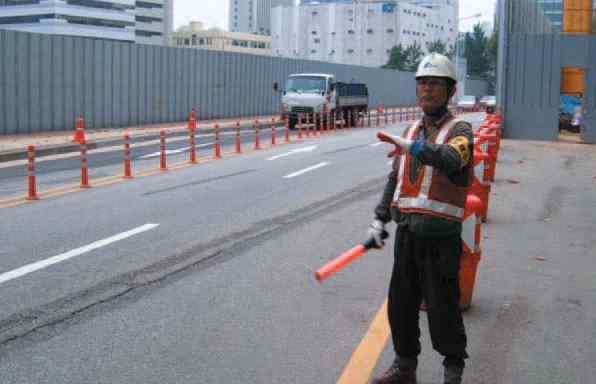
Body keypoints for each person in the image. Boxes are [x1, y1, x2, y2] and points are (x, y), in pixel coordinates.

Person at [367, 53, 474, 384]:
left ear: (450, 91)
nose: (427, 90)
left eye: (435, 84)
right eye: (423, 83)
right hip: (408, 236)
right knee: (400, 306)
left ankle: (452, 371)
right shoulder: (411, 129)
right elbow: (395, 180)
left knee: (443, 312)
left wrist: (411, 147)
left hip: (441, 240)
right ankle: (405, 368)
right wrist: (379, 220)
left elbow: (452, 159)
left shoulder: (461, 130)